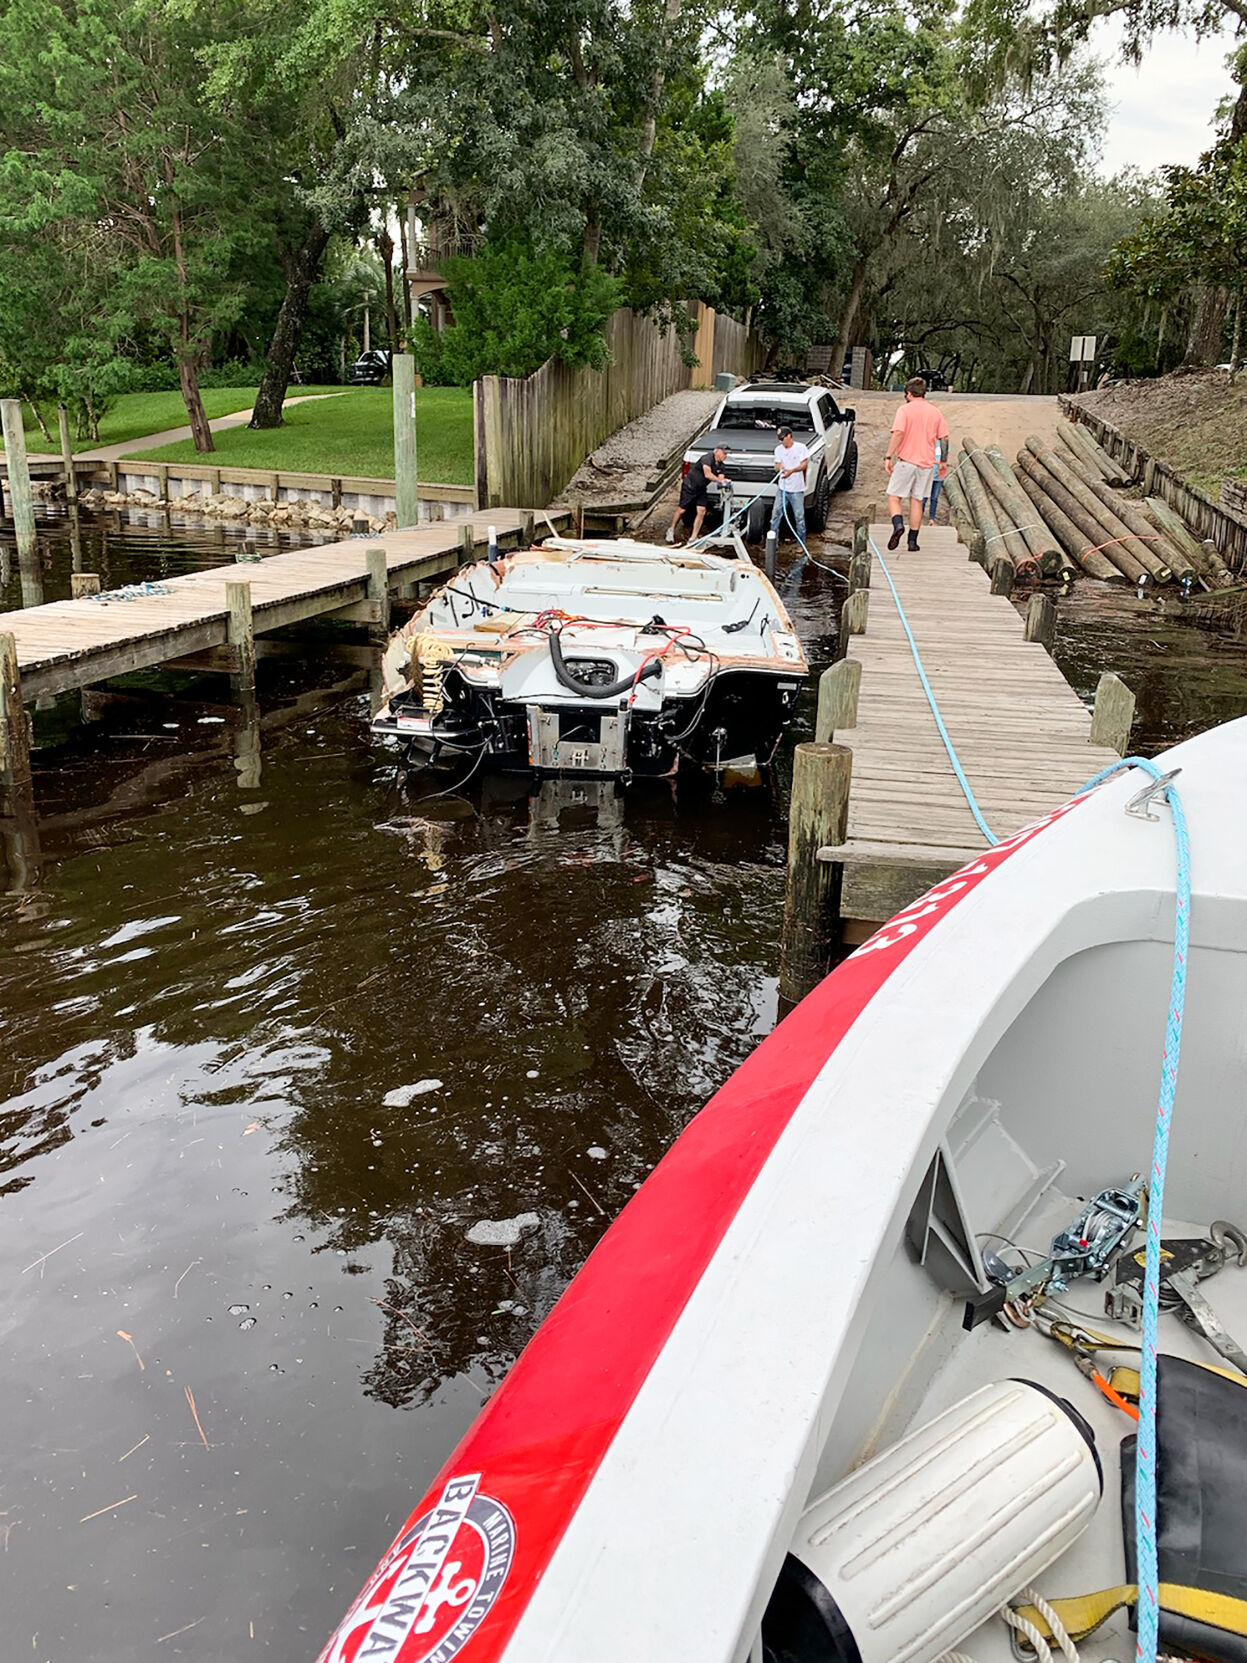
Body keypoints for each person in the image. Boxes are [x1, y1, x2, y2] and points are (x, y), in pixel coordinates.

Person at [885, 377, 949, 551]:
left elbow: (898, 433)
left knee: (894, 497)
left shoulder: (904, 410)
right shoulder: (935, 412)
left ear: (908, 393)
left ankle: (898, 525)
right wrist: (943, 461)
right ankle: (912, 542)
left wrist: (888, 456)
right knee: (917, 501)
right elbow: (944, 439)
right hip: (927, 464)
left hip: (907, 461)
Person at [667, 445, 729, 543]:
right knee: (682, 509)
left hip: (701, 488)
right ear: (717, 451)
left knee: (701, 511)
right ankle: (671, 529)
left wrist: (724, 481)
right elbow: (707, 474)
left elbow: (721, 476)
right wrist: (719, 480)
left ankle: (693, 537)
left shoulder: (721, 466)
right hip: (690, 486)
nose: (725, 456)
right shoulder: (707, 458)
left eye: (726, 454)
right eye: (724, 453)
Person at [771, 425, 810, 543]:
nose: (781, 442)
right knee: (775, 515)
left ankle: (801, 543)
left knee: (799, 517)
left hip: (796, 489)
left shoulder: (801, 448)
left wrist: (792, 471)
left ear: (789, 436)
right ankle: (773, 543)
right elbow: (776, 465)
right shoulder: (778, 450)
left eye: (783, 439)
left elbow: (804, 464)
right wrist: (780, 467)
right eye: (780, 439)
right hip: (782, 488)